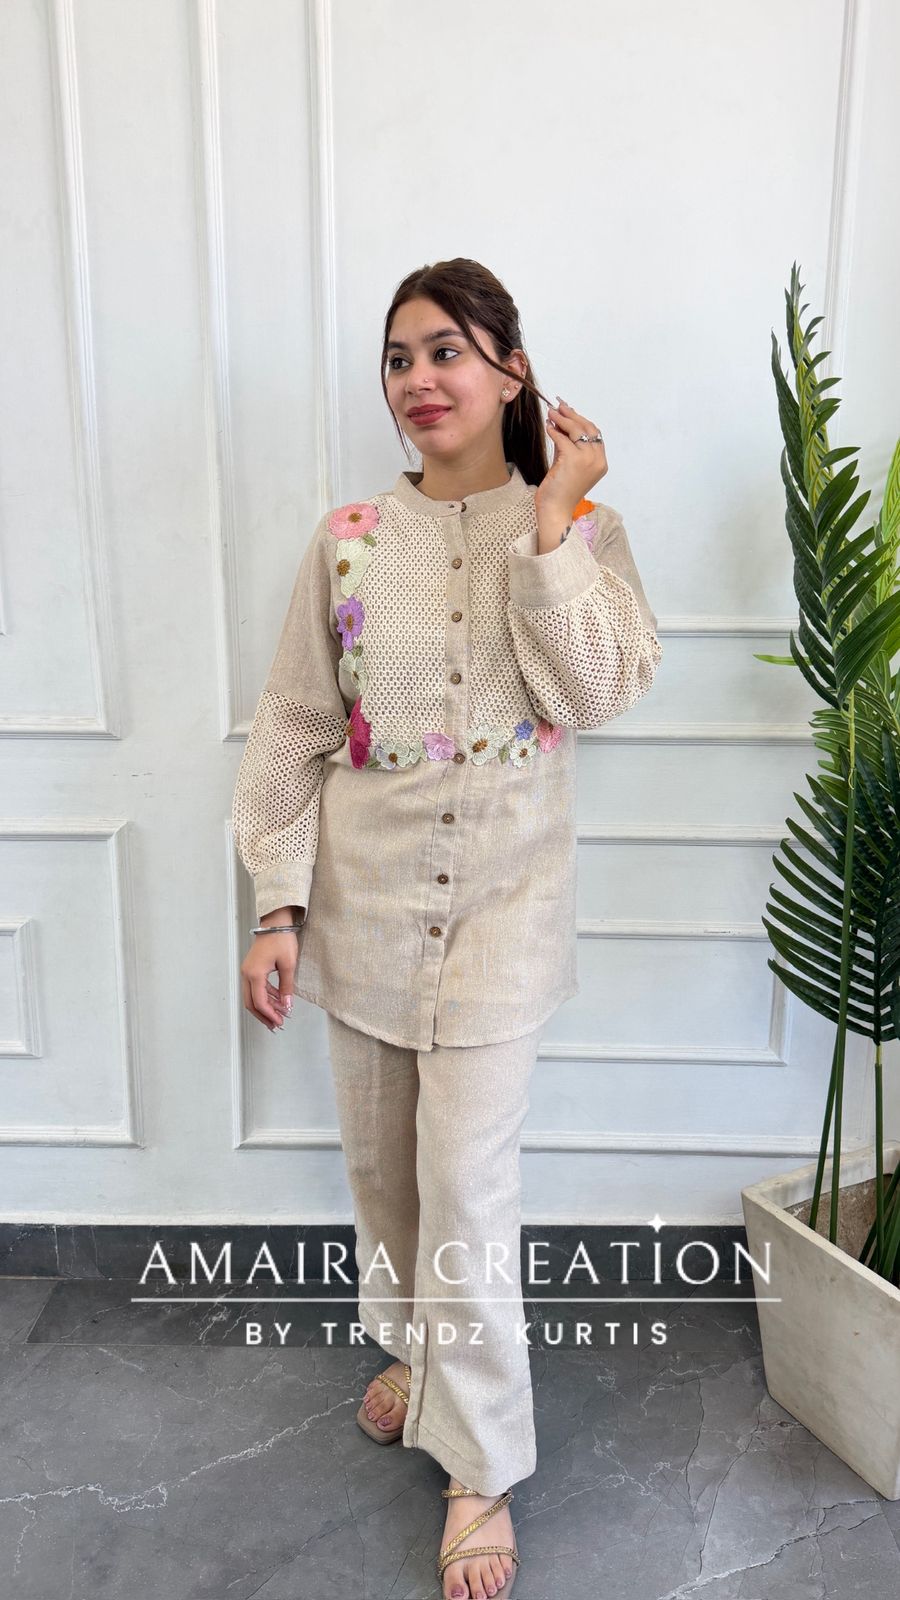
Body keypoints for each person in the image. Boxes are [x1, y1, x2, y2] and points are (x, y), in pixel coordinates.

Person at [231, 258, 663, 1599]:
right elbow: (296, 722)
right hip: (362, 912)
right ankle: (419, 1352)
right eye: (399, 356)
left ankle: (479, 1465)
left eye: (447, 351)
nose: (418, 379)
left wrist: (552, 521)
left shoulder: (584, 530)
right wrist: (277, 904)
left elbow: (596, 689)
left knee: (467, 1187)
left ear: (510, 369)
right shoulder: (349, 538)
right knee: (386, 1176)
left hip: (502, 921)